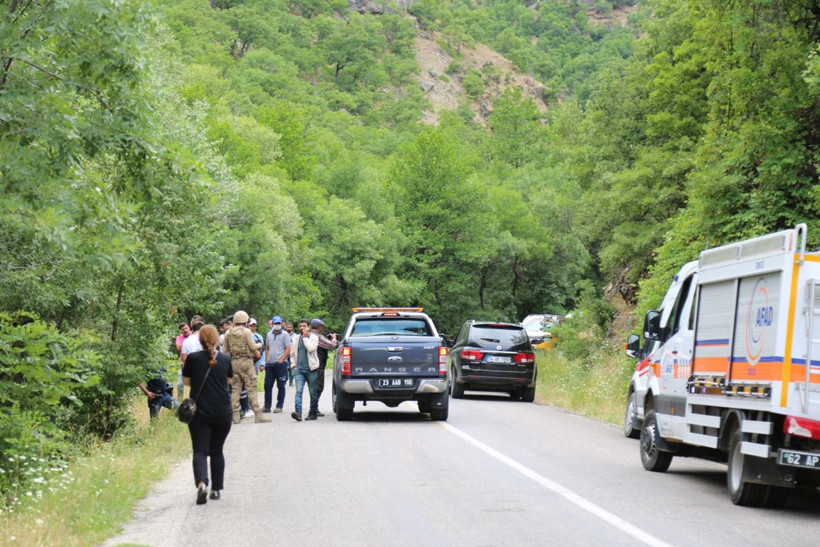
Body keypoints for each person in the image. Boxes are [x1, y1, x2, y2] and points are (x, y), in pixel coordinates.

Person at [182, 324, 233, 505]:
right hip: (223, 412)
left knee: (200, 450)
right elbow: (228, 380)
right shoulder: (226, 359)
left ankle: (202, 483)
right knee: (217, 451)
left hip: (200, 414)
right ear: (216, 339)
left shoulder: (193, 358)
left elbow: (187, 382)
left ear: (200, 340)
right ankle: (216, 490)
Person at [223, 310, 270, 424]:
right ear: (245, 320)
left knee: (235, 389)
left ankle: (235, 416)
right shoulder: (247, 332)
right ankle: (258, 415)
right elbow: (253, 346)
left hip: (234, 362)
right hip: (247, 362)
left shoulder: (228, 333)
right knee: (251, 388)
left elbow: (225, 350)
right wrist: (260, 344)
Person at [290, 319, 320, 421]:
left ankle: (313, 412)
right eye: (300, 326)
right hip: (299, 370)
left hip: (311, 369)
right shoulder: (295, 338)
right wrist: (293, 365)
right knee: (298, 391)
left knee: (313, 392)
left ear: (309, 327)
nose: (302, 328)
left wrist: (306, 338)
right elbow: (292, 353)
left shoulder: (314, 338)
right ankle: (298, 413)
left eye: (304, 326)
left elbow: (311, 349)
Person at [263, 315, 290, 413]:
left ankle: (279, 406)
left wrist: (282, 359)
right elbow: (267, 347)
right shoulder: (269, 334)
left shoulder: (285, 335)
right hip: (270, 364)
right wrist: (266, 359)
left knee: (281, 385)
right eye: (276, 323)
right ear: (273, 324)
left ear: (281, 323)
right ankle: (267, 406)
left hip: (280, 364)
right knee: (268, 385)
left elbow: (288, 348)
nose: (277, 325)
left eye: (279, 323)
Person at [311, 318, 338, 417]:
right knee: (318, 387)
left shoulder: (308, 335)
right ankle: (314, 408)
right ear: (319, 327)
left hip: (309, 366)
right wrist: (334, 338)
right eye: (322, 326)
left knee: (312, 387)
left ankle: (313, 408)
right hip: (318, 366)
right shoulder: (319, 337)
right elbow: (332, 345)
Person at [180, 318, 205, 398]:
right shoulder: (205, 339)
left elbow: (184, 359)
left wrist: (185, 374)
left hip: (194, 371)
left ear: (192, 329)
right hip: (206, 369)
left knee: (195, 393)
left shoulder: (187, 341)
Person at [175, 322, 192, 397]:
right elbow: (178, 347)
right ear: (181, 331)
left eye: (186, 328)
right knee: (180, 383)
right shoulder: (179, 337)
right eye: (183, 329)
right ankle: (180, 398)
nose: (185, 330)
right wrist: (188, 343)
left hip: (194, 361)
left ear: (189, 328)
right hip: (183, 363)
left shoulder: (194, 335)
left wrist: (183, 344)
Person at [284, 321, 295, 386]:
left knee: (291, 368)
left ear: (292, 328)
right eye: (288, 327)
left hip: (291, 353)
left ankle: (291, 381)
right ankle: (285, 379)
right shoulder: (283, 334)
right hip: (285, 353)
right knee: (285, 367)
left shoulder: (295, 336)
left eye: (290, 327)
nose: (289, 328)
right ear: (286, 327)